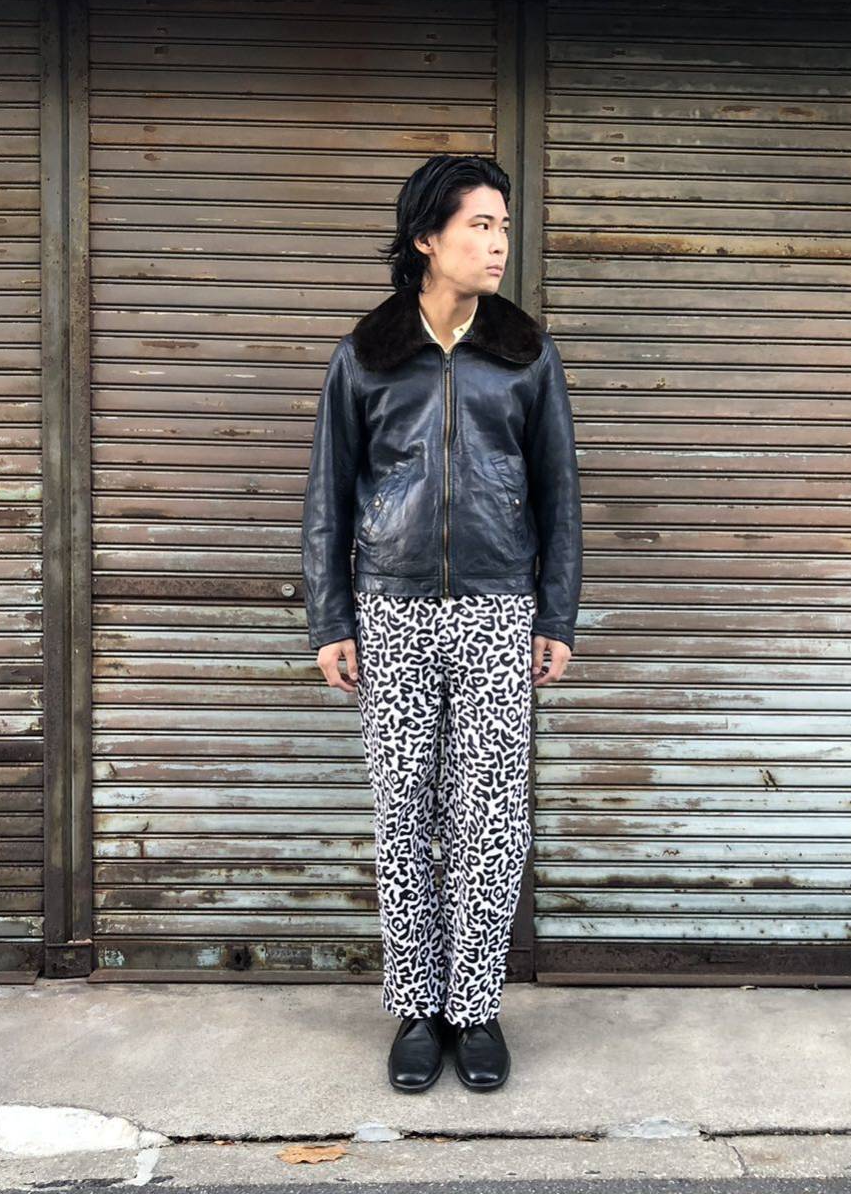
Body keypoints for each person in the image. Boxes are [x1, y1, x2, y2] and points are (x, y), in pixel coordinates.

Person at [301, 154, 583, 1093]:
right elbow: (328, 497)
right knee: (405, 815)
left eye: (503, 226)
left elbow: (560, 495)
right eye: (479, 225)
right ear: (428, 237)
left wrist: (556, 614)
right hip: (392, 607)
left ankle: (477, 1007)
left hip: (499, 607)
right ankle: (418, 1008)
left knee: (491, 817)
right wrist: (330, 618)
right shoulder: (367, 355)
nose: (498, 244)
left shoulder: (526, 355)